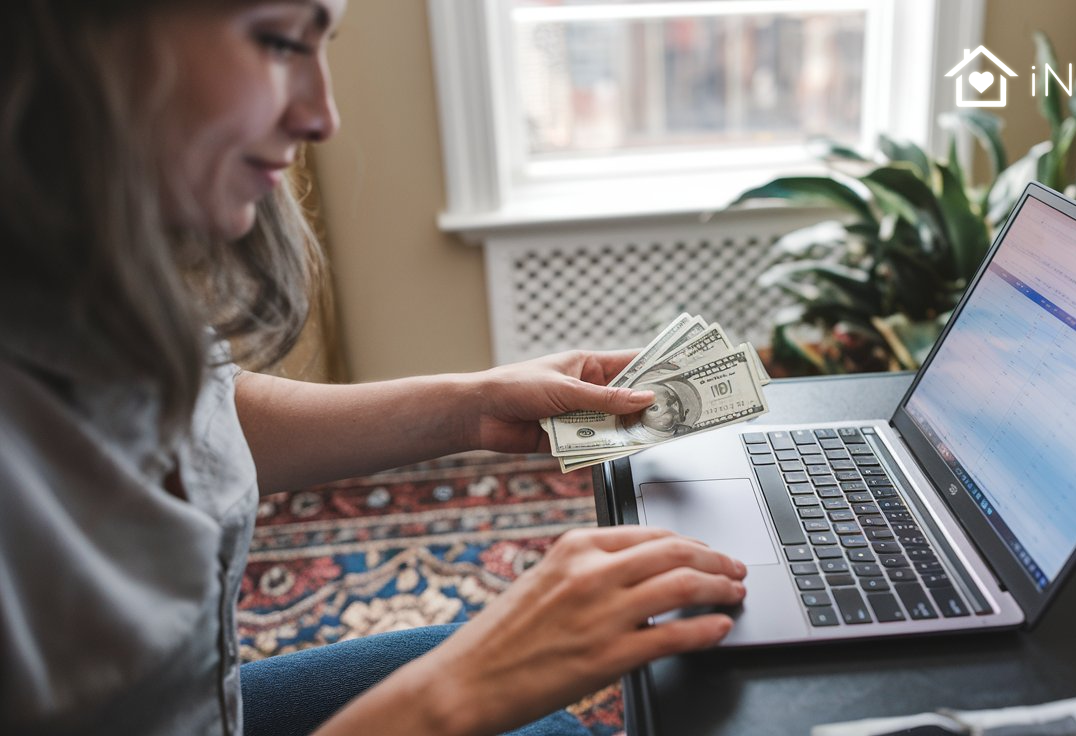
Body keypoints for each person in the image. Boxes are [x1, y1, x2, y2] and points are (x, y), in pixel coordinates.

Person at [0, 1, 748, 734]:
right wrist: (449, 699)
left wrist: (474, 405)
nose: (322, 117)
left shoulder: (76, 285)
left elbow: (204, 413)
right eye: (279, 41)